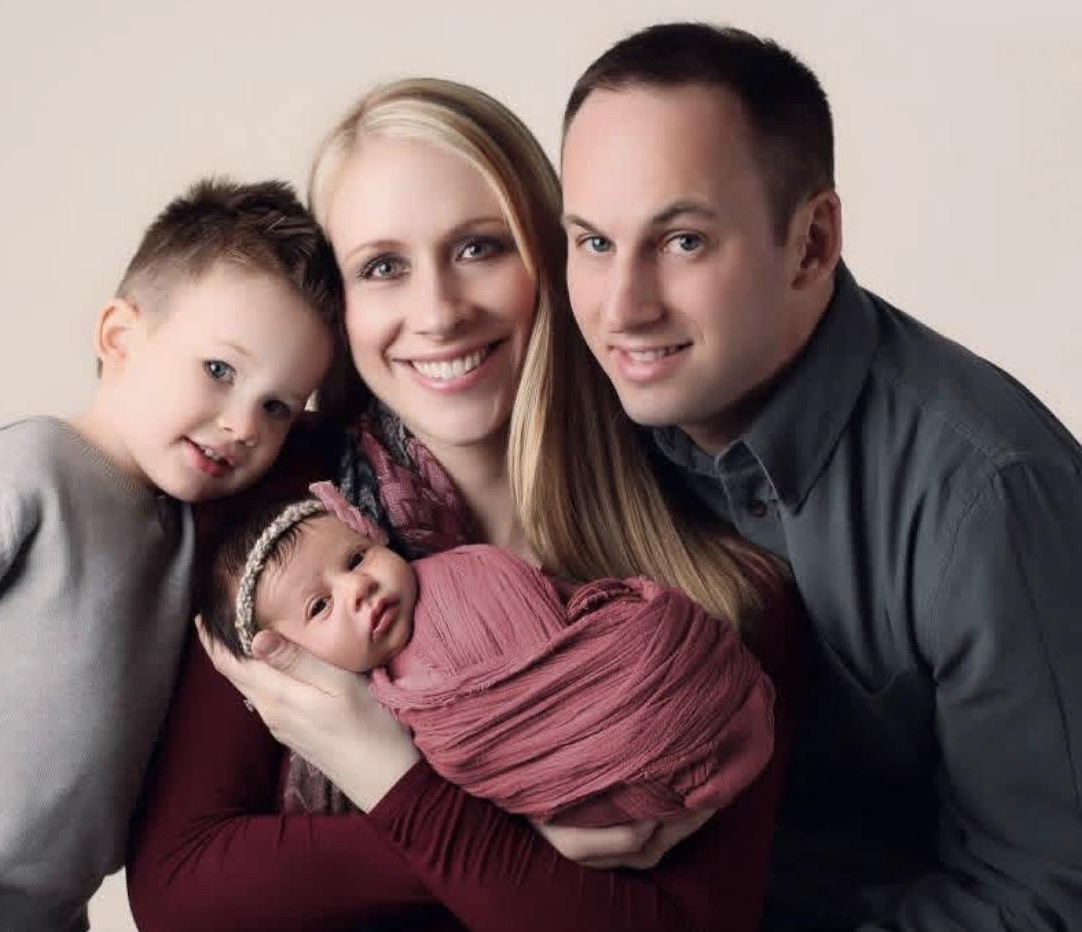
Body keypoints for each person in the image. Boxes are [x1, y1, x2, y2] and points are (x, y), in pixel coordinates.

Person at [127, 77, 803, 932]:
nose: (439, 312)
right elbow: (179, 891)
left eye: (481, 248)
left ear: (554, 261)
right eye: (382, 267)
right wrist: (498, 821)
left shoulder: (718, 578)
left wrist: (401, 787)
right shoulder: (282, 514)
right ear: (343, 313)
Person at [557, 22, 1082, 931]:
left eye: (681, 241)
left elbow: (1044, 894)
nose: (623, 308)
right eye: (594, 242)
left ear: (811, 242)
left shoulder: (983, 491)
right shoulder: (579, 418)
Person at [0, 179, 341, 932]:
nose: (243, 424)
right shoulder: (29, 472)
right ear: (118, 337)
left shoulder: (186, 530)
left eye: (278, 405)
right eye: (219, 371)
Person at [200, 480, 775, 827]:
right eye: (320, 607)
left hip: (657, 706)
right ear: (289, 657)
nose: (358, 589)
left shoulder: (467, 570)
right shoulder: (367, 712)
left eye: (355, 560)